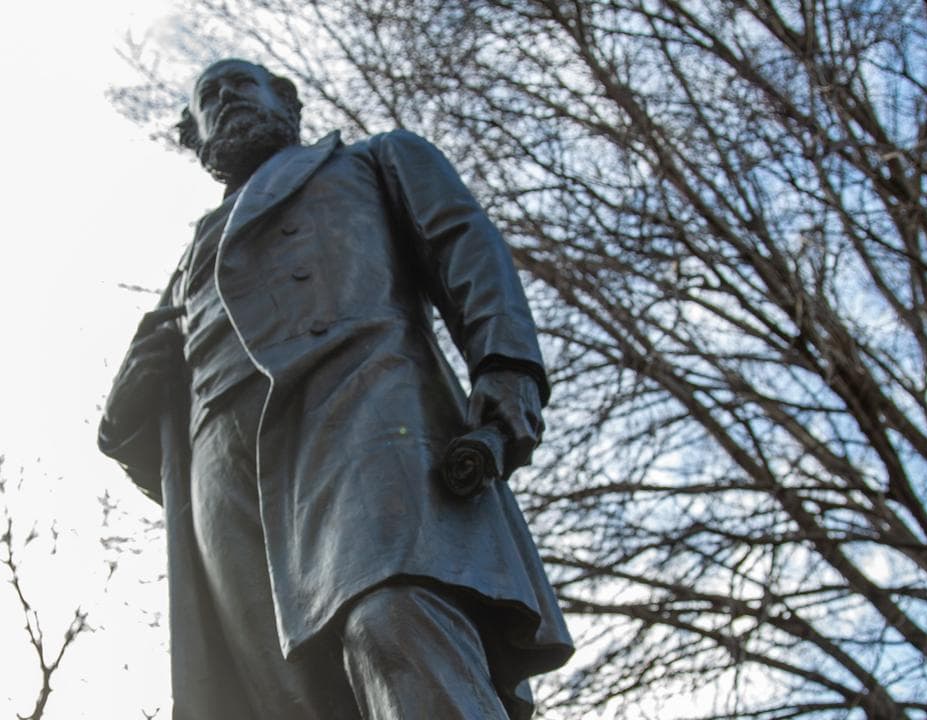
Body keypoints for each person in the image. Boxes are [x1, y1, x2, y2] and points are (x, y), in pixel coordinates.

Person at [99, 58, 573, 720]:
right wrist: (124, 417)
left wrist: (507, 366)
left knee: (394, 622)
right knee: (285, 702)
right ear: (193, 134)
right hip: (228, 483)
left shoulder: (377, 160)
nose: (228, 97)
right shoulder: (186, 267)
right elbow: (151, 448)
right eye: (211, 96)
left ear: (286, 100)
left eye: (242, 83)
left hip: (366, 412)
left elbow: (466, 245)